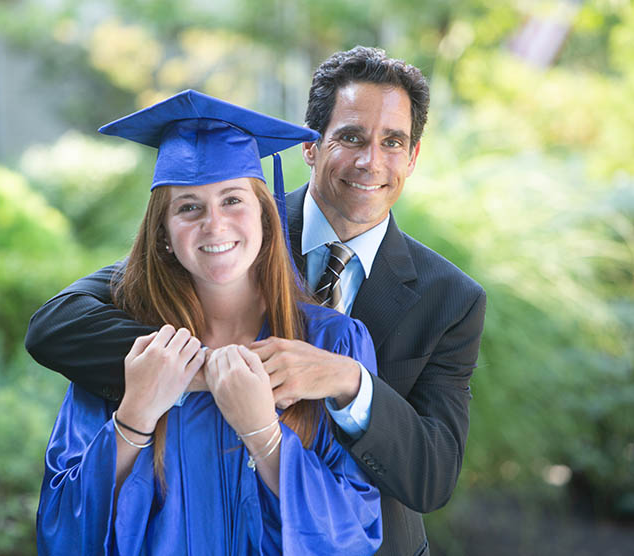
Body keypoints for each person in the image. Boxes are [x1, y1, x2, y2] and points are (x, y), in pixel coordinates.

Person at [27, 47, 486, 556]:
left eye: (393, 141)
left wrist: (343, 383)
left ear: (413, 155)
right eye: (350, 136)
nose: (369, 161)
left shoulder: (437, 305)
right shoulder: (171, 298)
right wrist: (182, 378)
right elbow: (57, 324)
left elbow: (431, 476)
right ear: (311, 147)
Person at [35, 90, 383, 555]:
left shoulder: (331, 342)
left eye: (232, 200)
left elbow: (355, 534)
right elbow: (61, 532)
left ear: (266, 214)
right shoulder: (136, 356)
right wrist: (135, 416)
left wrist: (263, 434)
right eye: (189, 207)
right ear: (163, 233)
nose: (214, 225)